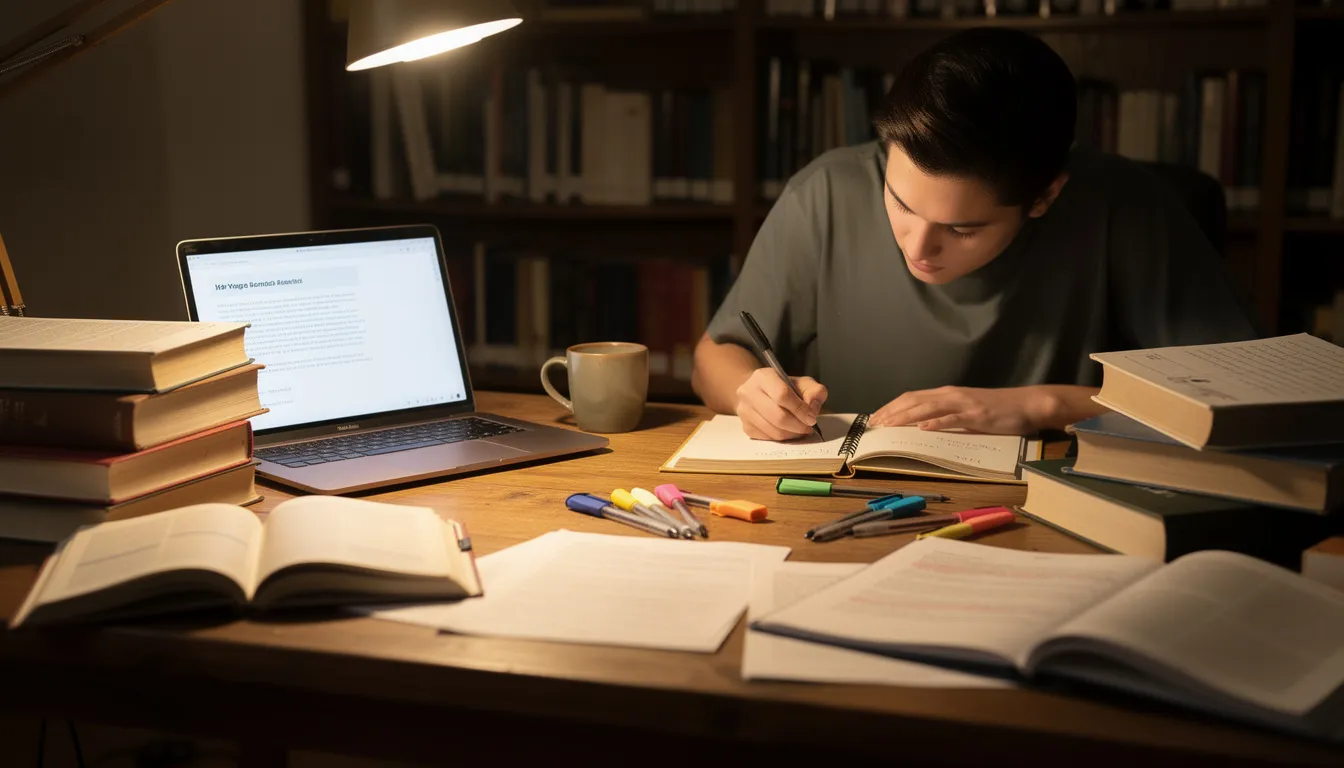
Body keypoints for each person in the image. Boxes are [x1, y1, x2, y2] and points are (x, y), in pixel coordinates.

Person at [691, 27, 1258, 441]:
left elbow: (1235, 400)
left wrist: (1045, 406)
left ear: (1044, 197)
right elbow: (715, 356)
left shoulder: (1127, 207)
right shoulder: (826, 192)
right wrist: (751, 393)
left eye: (961, 228)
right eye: (900, 203)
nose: (917, 247)